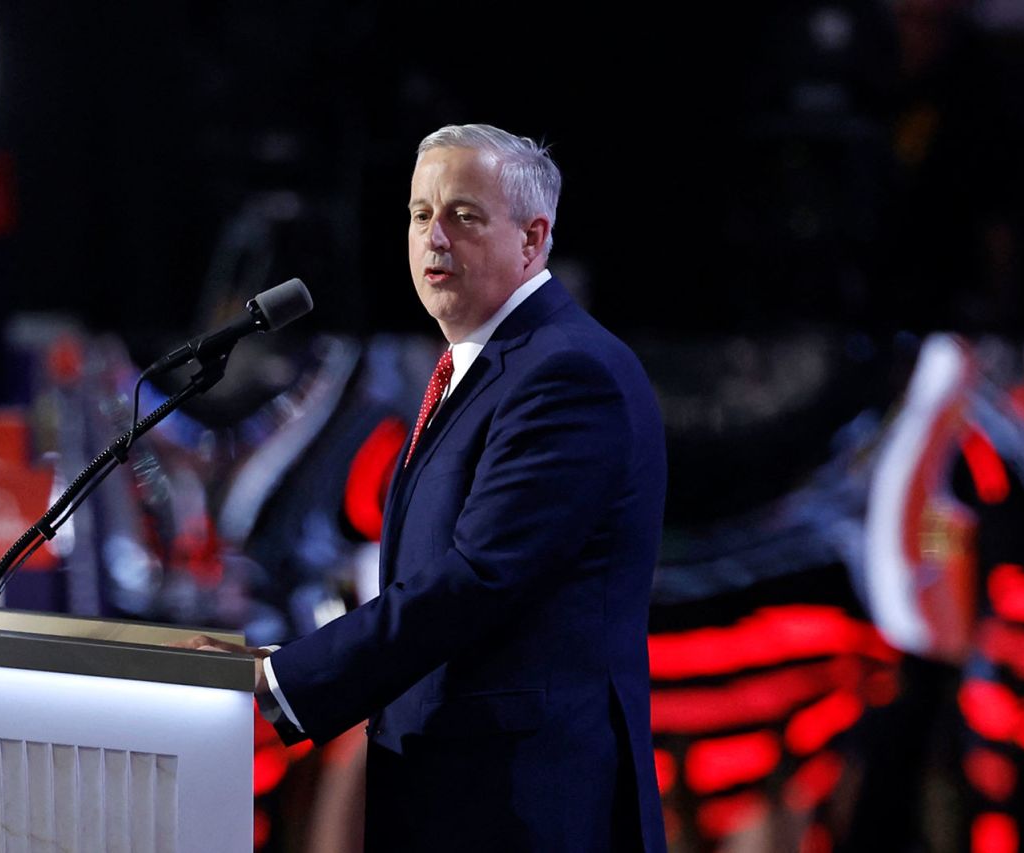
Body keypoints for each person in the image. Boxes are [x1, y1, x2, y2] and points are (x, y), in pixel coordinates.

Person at [178, 123, 668, 852]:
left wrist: (286, 674)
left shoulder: (567, 374)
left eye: (464, 215)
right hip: (464, 790)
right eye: (418, 214)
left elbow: (477, 578)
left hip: (530, 804)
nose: (433, 236)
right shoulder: (483, 364)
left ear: (533, 241)